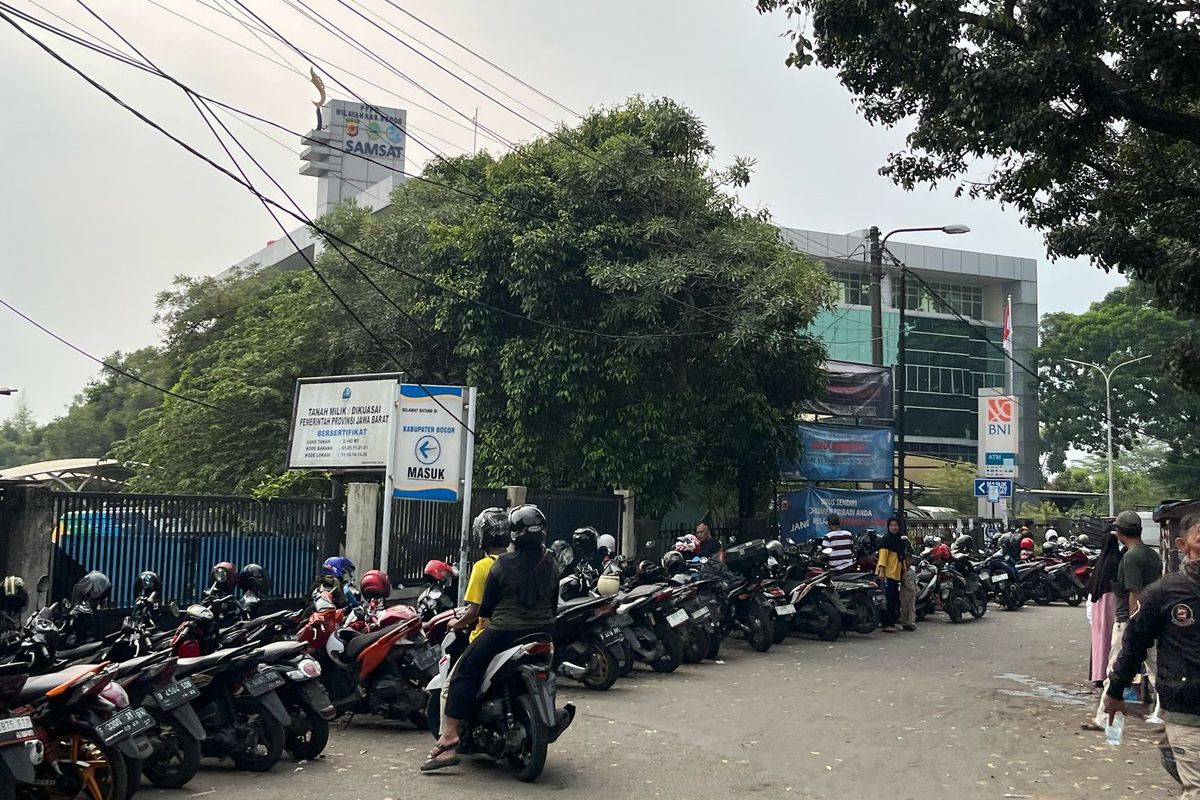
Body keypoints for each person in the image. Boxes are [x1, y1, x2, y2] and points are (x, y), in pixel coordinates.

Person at [422, 504, 560, 772]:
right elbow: (553, 605)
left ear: (514, 533)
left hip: (504, 633)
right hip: (544, 631)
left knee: (463, 673)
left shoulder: (500, 566)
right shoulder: (552, 564)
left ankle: (449, 738)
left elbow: (484, 610)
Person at [1103, 513, 1200, 798]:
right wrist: (1115, 691)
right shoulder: (1165, 593)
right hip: (1187, 709)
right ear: (1182, 545)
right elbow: (1135, 644)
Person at [1085, 510, 1164, 732]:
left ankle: (1104, 718)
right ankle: (1163, 715)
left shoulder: (1131, 557)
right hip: (1152, 620)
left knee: (1115, 669)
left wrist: (1131, 624)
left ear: (1120, 533)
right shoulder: (1151, 555)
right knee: (1157, 670)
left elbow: (1133, 593)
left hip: (1130, 622)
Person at [449, 507, 511, 644]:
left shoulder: (482, 566)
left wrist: (456, 624)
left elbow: (475, 611)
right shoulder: (516, 562)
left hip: (488, 635)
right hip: (514, 633)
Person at [1086, 527, 1122, 688]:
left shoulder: (1100, 562)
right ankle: (1107, 672)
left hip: (1097, 603)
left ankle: (1097, 674)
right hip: (1111, 600)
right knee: (1110, 638)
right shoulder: (1117, 561)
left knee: (1099, 638)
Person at [876, 517, 906, 633]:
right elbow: (883, 557)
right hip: (887, 573)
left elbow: (901, 557)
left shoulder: (899, 540)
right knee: (888, 598)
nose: (894, 527)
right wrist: (882, 571)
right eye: (891, 525)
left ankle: (891, 622)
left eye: (896, 525)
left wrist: (903, 571)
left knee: (894, 598)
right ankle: (886, 623)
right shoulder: (886, 539)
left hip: (896, 574)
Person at [897, 521, 917, 632]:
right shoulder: (901, 550)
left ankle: (910, 622)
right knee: (905, 606)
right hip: (905, 582)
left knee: (909, 606)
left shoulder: (907, 548)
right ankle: (906, 622)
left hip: (909, 582)